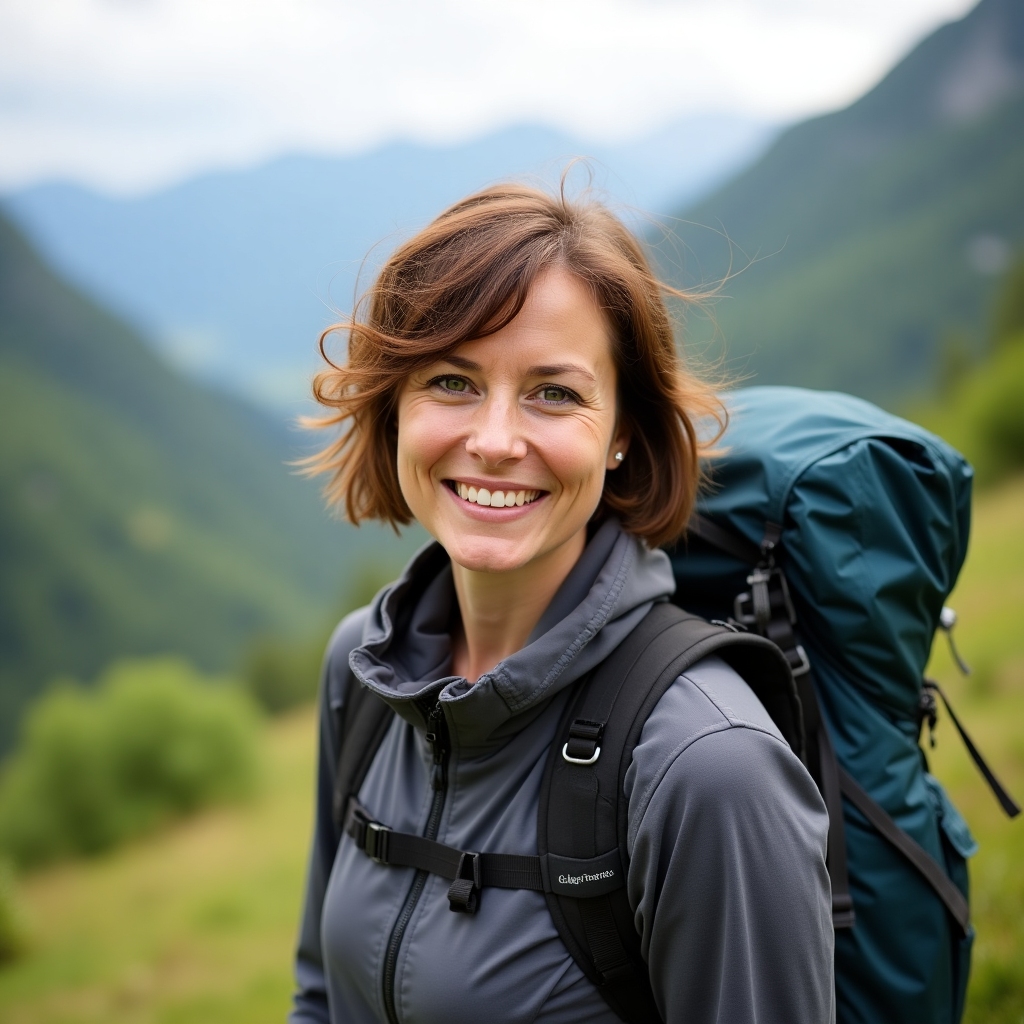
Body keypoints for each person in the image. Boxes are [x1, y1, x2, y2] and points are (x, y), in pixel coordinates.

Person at [290, 183, 834, 1024]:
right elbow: (321, 997)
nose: (497, 440)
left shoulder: (707, 768)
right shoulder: (363, 672)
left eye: (554, 393)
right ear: (395, 405)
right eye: (451, 380)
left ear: (622, 432)